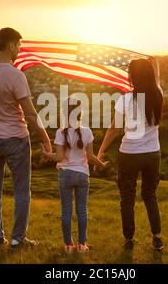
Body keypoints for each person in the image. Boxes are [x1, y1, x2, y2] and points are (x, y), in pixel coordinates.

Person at [0, 27, 52, 249]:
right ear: (11, 46)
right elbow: (30, 113)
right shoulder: (16, 75)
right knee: (21, 191)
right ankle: (18, 239)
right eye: (18, 45)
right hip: (16, 140)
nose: (20, 49)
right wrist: (46, 139)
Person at [96, 57, 164, 251]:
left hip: (129, 154)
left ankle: (129, 239)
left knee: (127, 197)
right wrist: (155, 67)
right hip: (152, 154)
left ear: (132, 76)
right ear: (150, 75)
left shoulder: (125, 99)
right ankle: (157, 237)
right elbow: (156, 82)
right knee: (150, 195)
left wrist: (100, 151)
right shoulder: (158, 94)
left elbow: (114, 129)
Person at [42, 98, 109, 253]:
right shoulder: (87, 131)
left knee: (66, 210)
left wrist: (46, 154)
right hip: (82, 175)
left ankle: (68, 246)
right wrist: (102, 165)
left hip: (65, 174)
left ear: (64, 112)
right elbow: (91, 157)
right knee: (81, 210)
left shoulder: (60, 132)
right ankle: (82, 245)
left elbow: (58, 158)